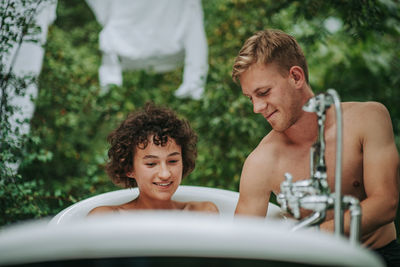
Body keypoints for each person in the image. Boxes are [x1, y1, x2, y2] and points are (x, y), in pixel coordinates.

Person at [232, 29, 399, 265]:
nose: (257, 108)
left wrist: (307, 237)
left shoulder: (368, 118)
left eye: (263, 93)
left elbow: (386, 204)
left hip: (379, 257)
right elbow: (239, 244)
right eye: (251, 98)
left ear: (296, 77)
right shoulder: (261, 162)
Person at [88, 103, 218, 214]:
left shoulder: (203, 213)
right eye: (151, 163)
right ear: (129, 169)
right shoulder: (105, 218)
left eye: (172, 161)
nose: (165, 174)